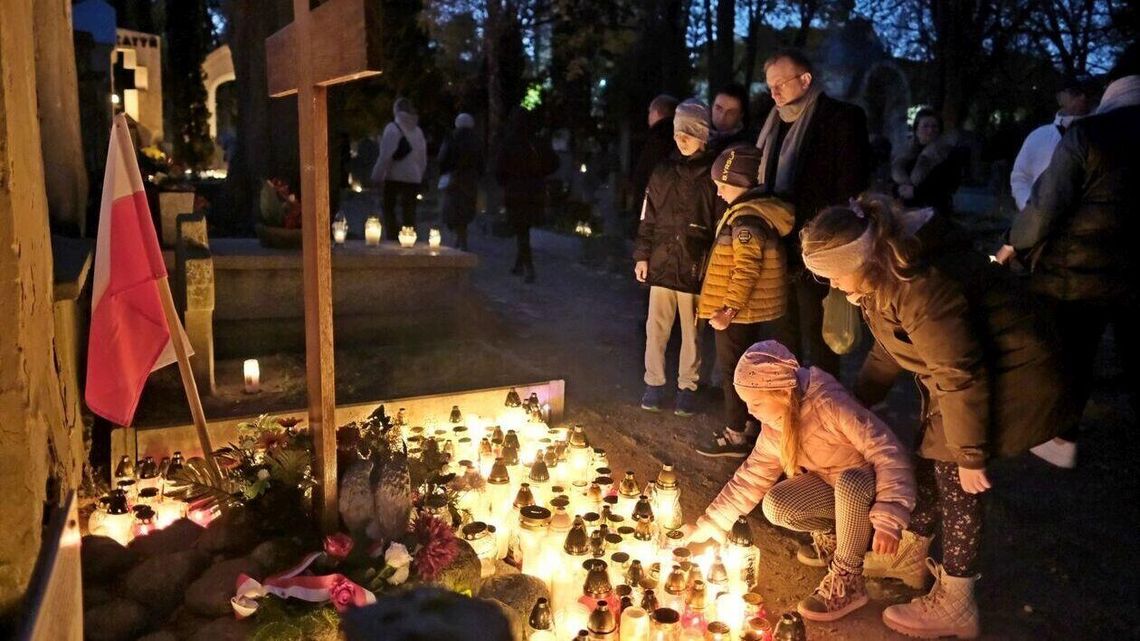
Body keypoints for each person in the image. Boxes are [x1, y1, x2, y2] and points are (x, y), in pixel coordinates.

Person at [800, 194, 1065, 639]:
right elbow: (891, 346)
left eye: (834, 276)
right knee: (929, 454)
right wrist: (857, 399)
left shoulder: (919, 286)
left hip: (1014, 374)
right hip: (964, 378)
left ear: (857, 259)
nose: (834, 288)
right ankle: (908, 556)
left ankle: (957, 603)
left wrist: (971, 454)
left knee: (958, 478)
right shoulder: (880, 277)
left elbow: (959, 371)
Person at [688, 341, 915, 622]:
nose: (750, 411)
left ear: (783, 392)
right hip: (830, 484)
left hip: (866, 486)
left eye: (756, 402)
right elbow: (751, 477)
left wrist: (890, 515)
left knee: (850, 483)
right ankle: (836, 537)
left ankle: (849, 579)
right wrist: (709, 524)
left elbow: (886, 449)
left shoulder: (830, 404)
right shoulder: (776, 426)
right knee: (777, 505)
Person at [1000, 47, 1139, 469]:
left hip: (1078, 275)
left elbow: (1046, 205)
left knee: (1071, 356)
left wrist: (1014, 243)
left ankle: (1059, 439)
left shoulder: (1090, 133)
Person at [753, 48, 871, 376]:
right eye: (769, 85)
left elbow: (852, 185)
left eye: (781, 83)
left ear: (805, 80)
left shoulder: (841, 119)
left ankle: (824, 408)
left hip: (818, 244)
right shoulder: (770, 122)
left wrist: (835, 238)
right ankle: (788, 403)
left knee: (820, 336)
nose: (774, 91)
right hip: (777, 245)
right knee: (782, 332)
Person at [694, 146, 795, 458]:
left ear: (738, 183)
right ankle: (750, 427)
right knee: (746, 368)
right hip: (748, 312)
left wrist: (728, 310)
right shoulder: (753, 213)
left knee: (734, 372)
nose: (719, 192)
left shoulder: (747, 220)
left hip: (738, 314)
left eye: (722, 185)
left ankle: (735, 434)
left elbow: (746, 270)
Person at [633, 100, 721, 416]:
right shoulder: (663, 172)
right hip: (662, 262)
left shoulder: (712, 177)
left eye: (690, 132)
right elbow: (649, 216)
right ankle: (653, 383)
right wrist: (643, 255)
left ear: (703, 135)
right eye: (678, 131)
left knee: (693, 334)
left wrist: (713, 266)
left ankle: (688, 386)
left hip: (695, 268)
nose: (682, 138)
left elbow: (718, 225)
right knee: (655, 329)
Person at [1008, 77, 1096, 212]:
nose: (1083, 97)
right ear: (1060, 98)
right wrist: (1029, 209)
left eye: (1088, 92)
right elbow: (1020, 176)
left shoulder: (1101, 134)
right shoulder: (1038, 137)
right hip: (1042, 221)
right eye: (1075, 92)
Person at [495, 106, 559, 283]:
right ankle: (519, 264)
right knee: (523, 228)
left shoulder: (510, 142)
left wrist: (506, 181)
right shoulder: (537, 142)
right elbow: (554, 162)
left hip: (516, 190)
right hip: (534, 189)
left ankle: (528, 267)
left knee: (521, 228)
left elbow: (499, 168)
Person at [371, 98, 427, 240]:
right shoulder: (418, 131)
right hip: (413, 178)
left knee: (389, 208)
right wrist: (419, 174)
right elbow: (422, 157)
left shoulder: (392, 128)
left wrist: (377, 175)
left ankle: (393, 237)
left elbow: (385, 155)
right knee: (409, 211)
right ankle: (409, 239)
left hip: (394, 177)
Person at [890, 108, 965, 215]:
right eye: (925, 126)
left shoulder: (948, 153)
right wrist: (899, 190)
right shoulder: (905, 153)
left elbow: (949, 184)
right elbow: (893, 180)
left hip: (934, 210)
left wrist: (916, 193)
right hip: (903, 209)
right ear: (916, 129)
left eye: (934, 126)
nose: (930, 130)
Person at [629, 94, 679, 236]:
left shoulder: (656, 140)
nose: (648, 116)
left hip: (653, 214)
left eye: (650, 112)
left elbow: (644, 176)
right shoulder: (678, 139)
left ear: (656, 112)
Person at [437, 113, 482, 251]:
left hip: (454, 179)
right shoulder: (477, 141)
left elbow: (442, 159)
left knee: (453, 209)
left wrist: (445, 171)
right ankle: (462, 239)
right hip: (470, 180)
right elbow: (482, 163)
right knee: (465, 209)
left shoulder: (451, 138)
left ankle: (460, 240)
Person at [708, 82, 753, 153]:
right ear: (712, 106)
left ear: (741, 115)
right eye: (718, 108)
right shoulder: (695, 130)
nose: (722, 116)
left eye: (731, 112)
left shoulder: (743, 149)